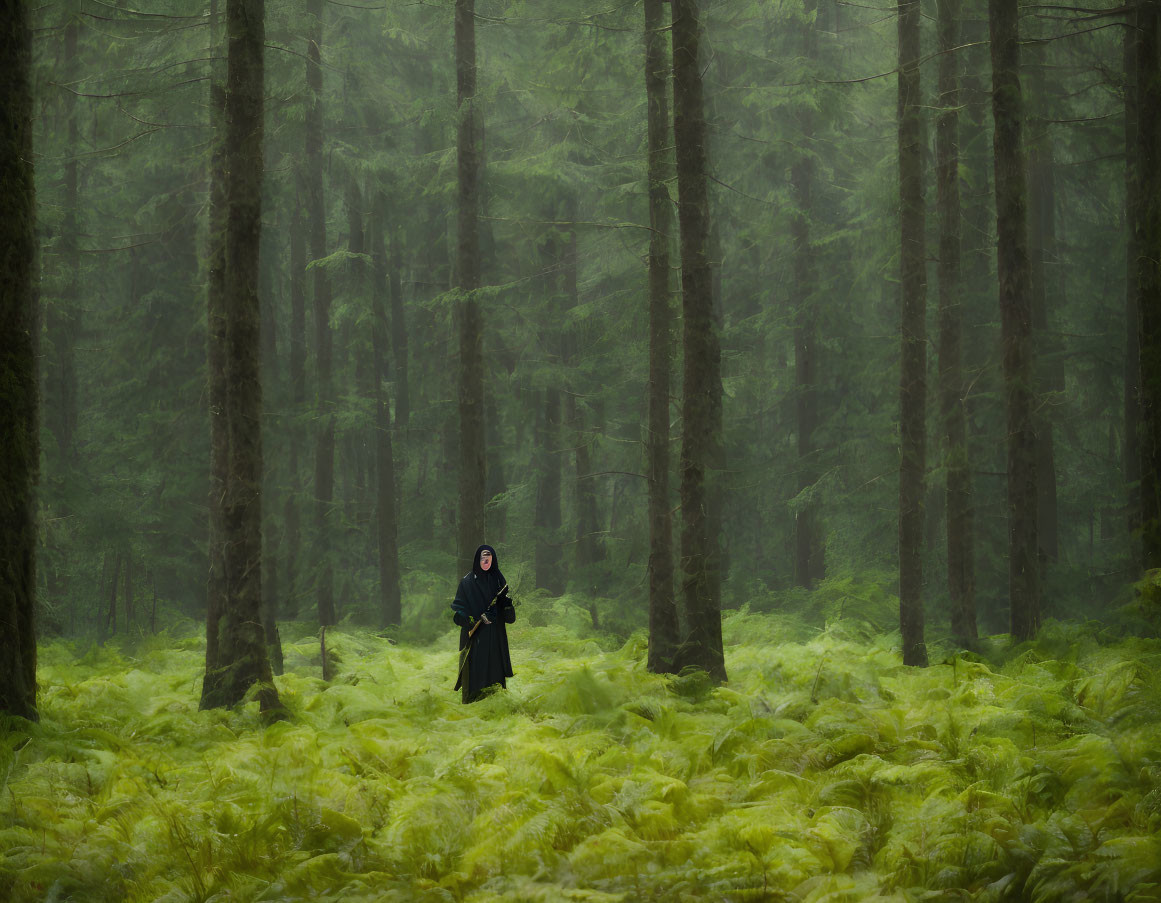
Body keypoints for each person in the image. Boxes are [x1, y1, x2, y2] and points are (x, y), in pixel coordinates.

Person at [452, 544, 515, 703]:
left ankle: (497, 706)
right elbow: (458, 609)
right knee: (474, 676)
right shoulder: (466, 582)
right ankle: (472, 705)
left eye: (489, 556)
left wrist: (504, 605)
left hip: (495, 637)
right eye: (483, 556)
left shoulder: (499, 580)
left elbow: (509, 616)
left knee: (495, 679)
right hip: (475, 638)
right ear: (477, 559)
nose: (486, 559)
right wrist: (472, 619)